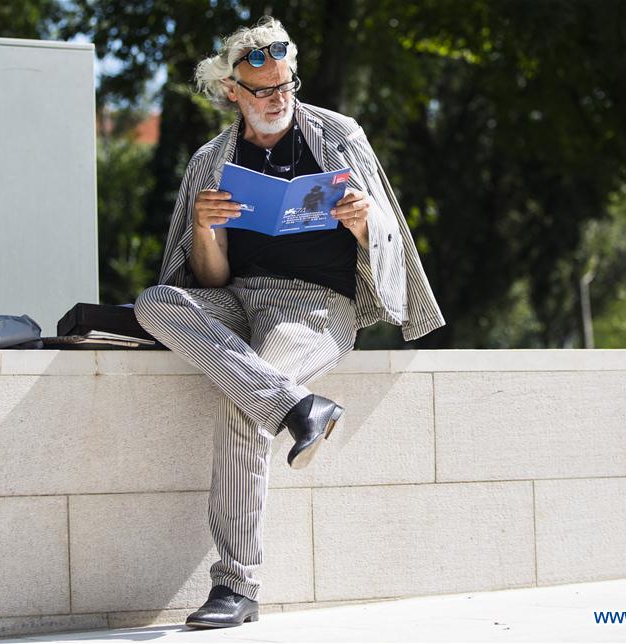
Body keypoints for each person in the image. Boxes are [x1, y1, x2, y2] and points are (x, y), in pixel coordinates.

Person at [134, 16, 445, 629]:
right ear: (232, 92)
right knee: (154, 303)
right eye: (264, 90)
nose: (279, 99)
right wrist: (205, 229)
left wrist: (363, 220)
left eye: (286, 84)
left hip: (314, 307)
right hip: (237, 300)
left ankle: (236, 586)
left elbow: (388, 238)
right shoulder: (210, 161)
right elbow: (208, 281)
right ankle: (298, 407)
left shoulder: (338, 135)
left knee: (242, 405)